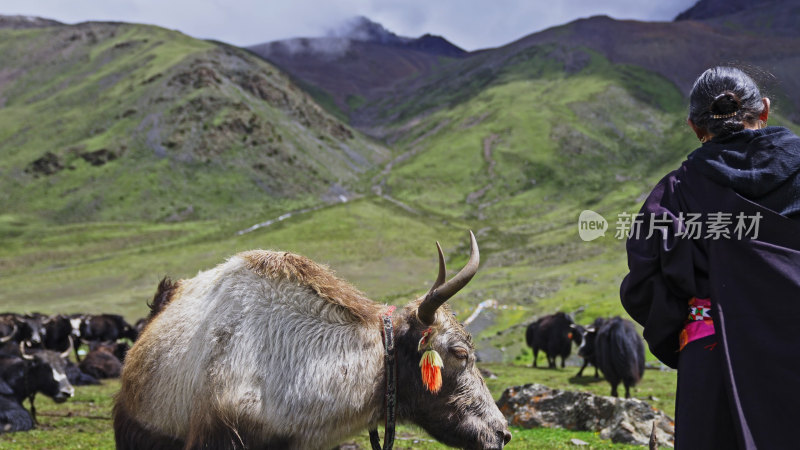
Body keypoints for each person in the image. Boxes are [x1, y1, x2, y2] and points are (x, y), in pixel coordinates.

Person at [619, 66, 800, 449]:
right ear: (764, 110)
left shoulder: (674, 194)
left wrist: (689, 338)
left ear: (695, 127)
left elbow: (644, 288)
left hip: (714, 361)